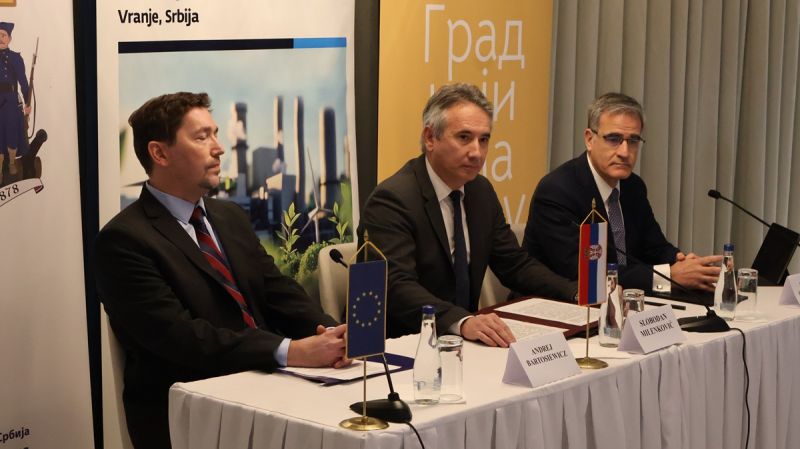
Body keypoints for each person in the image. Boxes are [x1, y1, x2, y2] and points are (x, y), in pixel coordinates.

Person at [94, 92, 348, 449]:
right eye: (202, 137)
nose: (219, 148)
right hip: (191, 413)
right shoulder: (123, 240)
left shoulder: (228, 217)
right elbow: (183, 339)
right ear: (159, 153)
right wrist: (291, 351)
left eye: (215, 134)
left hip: (269, 389)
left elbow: (277, 291)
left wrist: (332, 334)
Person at [359, 83, 577, 348]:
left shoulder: (479, 191)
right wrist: (461, 321)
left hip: (464, 343)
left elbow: (514, 264)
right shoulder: (392, 200)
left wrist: (575, 292)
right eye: (464, 137)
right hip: (402, 345)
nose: (477, 152)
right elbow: (395, 286)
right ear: (430, 138)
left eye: (483, 140)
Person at [524, 92, 721, 294]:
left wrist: (684, 263)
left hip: (625, 298)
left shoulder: (633, 186)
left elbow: (654, 247)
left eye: (633, 140)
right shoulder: (557, 191)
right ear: (589, 139)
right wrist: (669, 275)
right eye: (613, 139)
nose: (625, 152)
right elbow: (583, 273)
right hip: (561, 301)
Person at [0, 22, 31, 185]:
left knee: (11, 131)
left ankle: (12, 163)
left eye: (3, 35)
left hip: (12, 101)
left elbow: (24, 83)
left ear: (10, 38)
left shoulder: (16, 58)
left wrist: (27, 103)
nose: (0, 38)